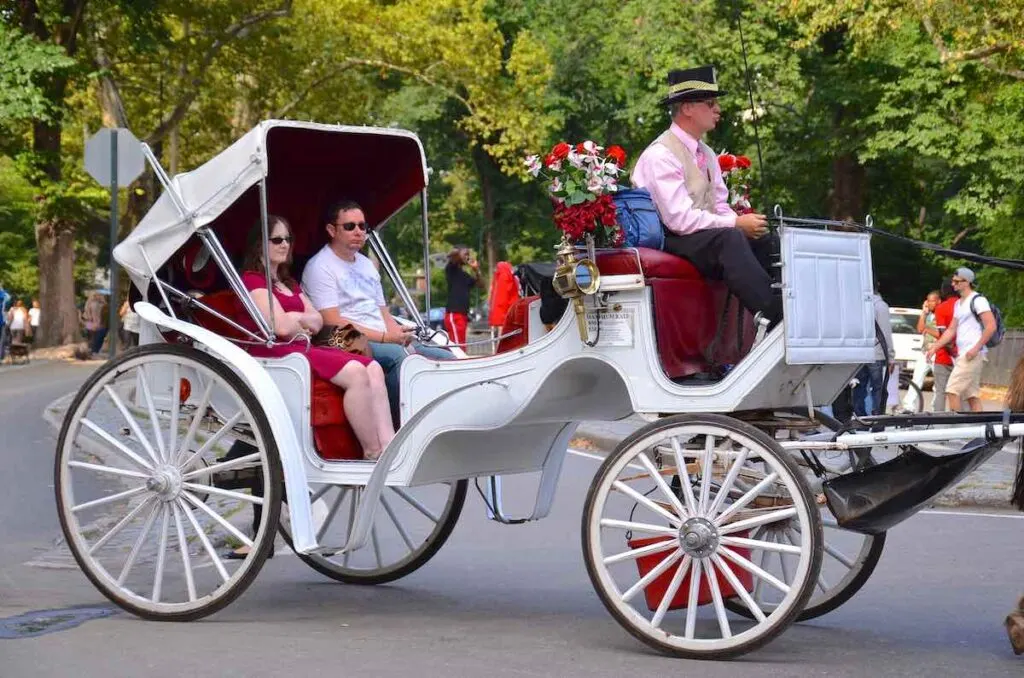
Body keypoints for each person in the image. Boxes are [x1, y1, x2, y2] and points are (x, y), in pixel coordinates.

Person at [236, 215, 394, 461]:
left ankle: (389, 445)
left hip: (301, 346)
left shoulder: (288, 282)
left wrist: (297, 319)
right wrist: (299, 319)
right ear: (260, 244)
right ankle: (372, 449)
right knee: (355, 371)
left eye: (288, 239)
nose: (284, 245)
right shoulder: (253, 280)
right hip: (275, 350)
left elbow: (317, 320)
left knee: (373, 367)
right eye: (276, 239)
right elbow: (281, 327)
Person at [631, 65, 780, 323]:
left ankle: (794, 306)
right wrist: (735, 223)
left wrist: (746, 224)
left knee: (771, 240)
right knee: (730, 239)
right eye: (710, 103)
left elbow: (720, 206)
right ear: (687, 107)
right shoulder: (661, 154)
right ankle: (777, 318)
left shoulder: (707, 154)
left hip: (702, 238)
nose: (718, 109)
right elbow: (680, 221)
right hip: (670, 239)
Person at [302, 199, 452, 426]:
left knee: (443, 356)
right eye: (350, 226)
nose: (358, 232)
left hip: (378, 333)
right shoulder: (319, 266)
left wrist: (399, 335)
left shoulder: (366, 265)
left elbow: (382, 310)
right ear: (332, 230)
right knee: (396, 357)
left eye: (362, 226)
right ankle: (401, 426)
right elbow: (331, 320)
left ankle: (446, 418)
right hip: (337, 334)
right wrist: (386, 338)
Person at [925, 266, 996, 412]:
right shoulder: (959, 303)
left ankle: (957, 429)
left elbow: (991, 326)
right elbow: (951, 330)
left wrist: (975, 349)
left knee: (952, 390)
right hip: (963, 353)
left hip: (972, 354)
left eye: (957, 282)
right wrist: (935, 347)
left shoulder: (978, 300)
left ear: (967, 282)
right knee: (971, 396)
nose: (953, 285)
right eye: (953, 281)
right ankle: (979, 429)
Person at [852, 283, 895, 417]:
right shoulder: (880, 306)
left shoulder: (858, 304)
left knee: (859, 388)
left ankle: (861, 419)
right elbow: (885, 332)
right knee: (878, 390)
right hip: (877, 353)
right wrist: (891, 356)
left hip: (860, 353)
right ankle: (877, 419)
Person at [901, 290, 940, 411]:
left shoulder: (941, 314)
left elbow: (940, 334)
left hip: (937, 351)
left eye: (932, 301)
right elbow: (919, 329)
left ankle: (936, 407)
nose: (929, 303)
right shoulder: (928, 315)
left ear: (939, 301)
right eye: (927, 301)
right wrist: (923, 312)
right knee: (917, 378)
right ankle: (908, 406)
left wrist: (927, 329)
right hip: (925, 351)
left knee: (938, 383)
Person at [443, 245, 483, 346]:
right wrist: (460, 253)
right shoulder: (451, 268)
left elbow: (481, 285)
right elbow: (452, 255)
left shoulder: (464, 275)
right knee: (458, 347)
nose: (467, 256)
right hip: (454, 313)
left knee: (460, 344)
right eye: (465, 254)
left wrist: (476, 270)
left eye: (468, 254)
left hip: (463, 314)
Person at [929, 278, 957, 411]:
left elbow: (942, 333)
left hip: (943, 355)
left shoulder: (941, 308)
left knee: (940, 391)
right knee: (960, 392)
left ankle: (938, 421)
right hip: (963, 355)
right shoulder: (963, 306)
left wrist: (951, 351)